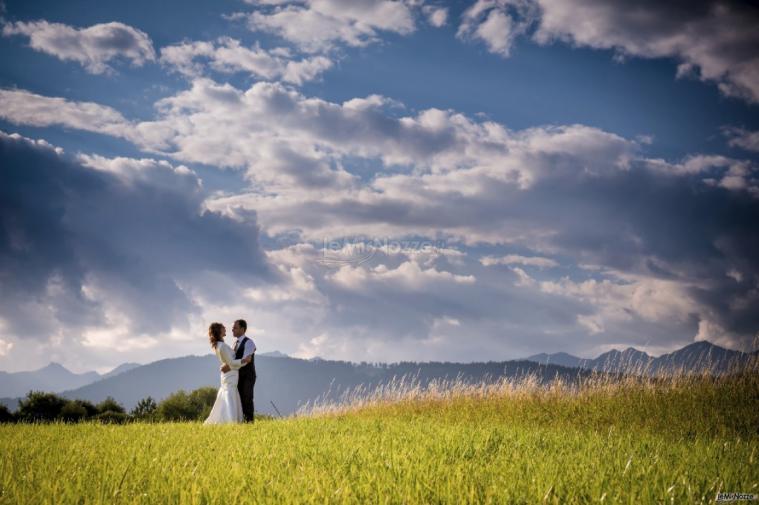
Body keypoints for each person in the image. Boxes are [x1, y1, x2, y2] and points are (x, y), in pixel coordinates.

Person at [204, 322, 252, 425]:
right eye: (223, 327)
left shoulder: (219, 345)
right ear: (219, 331)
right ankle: (231, 420)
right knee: (230, 395)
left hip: (229, 374)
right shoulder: (222, 346)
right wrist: (244, 361)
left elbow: (227, 362)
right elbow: (230, 363)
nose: (226, 328)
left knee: (229, 395)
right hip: (230, 375)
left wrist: (228, 364)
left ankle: (230, 419)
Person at [221, 319, 256, 422]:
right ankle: (241, 422)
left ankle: (249, 423)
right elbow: (232, 360)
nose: (232, 329)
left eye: (235, 327)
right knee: (239, 400)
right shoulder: (234, 344)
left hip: (247, 376)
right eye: (233, 327)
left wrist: (229, 367)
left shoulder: (249, 342)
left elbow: (246, 360)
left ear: (242, 329)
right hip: (237, 377)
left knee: (247, 399)